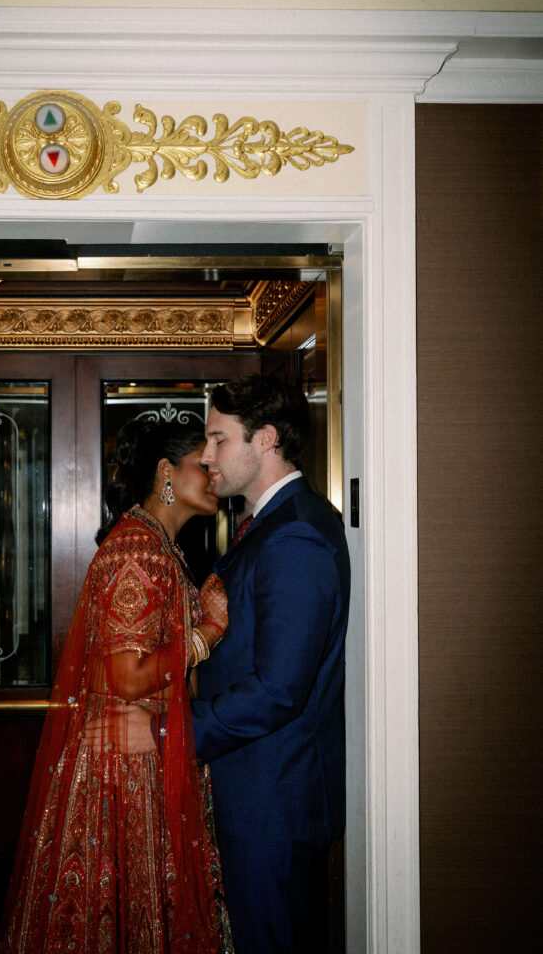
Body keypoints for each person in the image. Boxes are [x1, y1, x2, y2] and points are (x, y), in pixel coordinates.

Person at [0, 419, 232, 954]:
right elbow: (126, 678)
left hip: (139, 751)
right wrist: (209, 633)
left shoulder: (155, 544)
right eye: (203, 460)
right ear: (166, 472)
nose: (215, 470)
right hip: (128, 763)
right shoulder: (140, 549)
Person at [192, 374, 351, 954]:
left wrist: (172, 730)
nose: (206, 456)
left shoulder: (296, 535)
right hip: (258, 797)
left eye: (218, 439)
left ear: (265, 439)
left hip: (273, 807)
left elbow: (280, 688)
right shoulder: (273, 524)